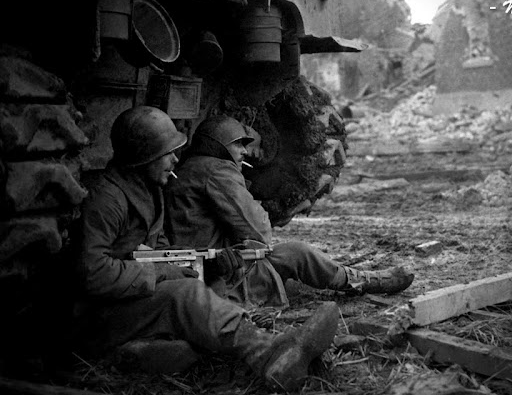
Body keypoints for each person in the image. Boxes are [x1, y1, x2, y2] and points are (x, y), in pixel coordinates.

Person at [72, 105, 339, 392]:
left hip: (131, 301)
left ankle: (148, 352)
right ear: (144, 156)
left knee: (197, 292)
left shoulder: (149, 191)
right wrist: (160, 272)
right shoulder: (106, 199)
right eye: (167, 153)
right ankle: (269, 354)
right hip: (100, 317)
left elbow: (157, 250)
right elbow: (92, 273)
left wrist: (204, 263)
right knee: (185, 294)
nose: (176, 159)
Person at [164, 114, 414, 307]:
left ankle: (355, 279)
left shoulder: (192, 168)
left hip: (206, 271)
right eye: (237, 144)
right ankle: (364, 281)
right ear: (218, 146)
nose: (244, 151)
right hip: (221, 279)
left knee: (295, 256)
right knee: (299, 254)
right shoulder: (217, 170)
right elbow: (259, 231)